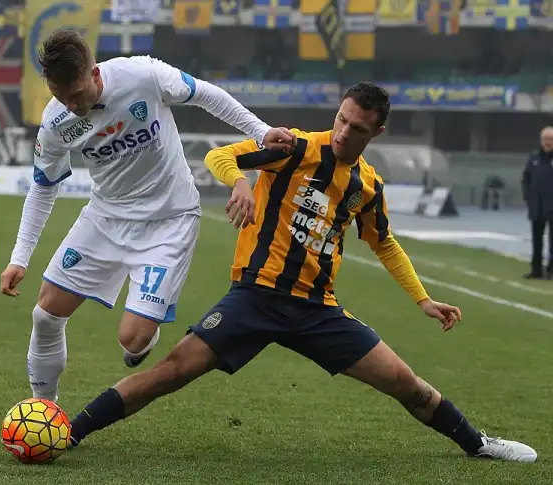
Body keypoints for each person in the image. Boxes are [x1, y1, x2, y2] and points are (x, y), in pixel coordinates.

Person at [67, 82, 537, 462]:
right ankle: (71, 431)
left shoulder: (366, 186)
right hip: (256, 296)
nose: (342, 133)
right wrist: (242, 183)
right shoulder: (291, 147)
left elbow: (385, 243)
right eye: (341, 120)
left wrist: (423, 300)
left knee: (406, 384)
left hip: (318, 311)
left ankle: (478, 444)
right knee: (172, 371)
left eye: (357, 128)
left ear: (377, 133)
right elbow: (220, 157)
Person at [0, 29, 295, 403]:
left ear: (95, 74)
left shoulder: (142, 75)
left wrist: (261, 131)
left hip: (168, 221)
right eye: (61, 98)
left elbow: (205, 94)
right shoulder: (56, 122)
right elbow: (43, 186)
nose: (71, 106)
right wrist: (19, 258)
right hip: (105, 218)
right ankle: (45, 410)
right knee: (44, 315)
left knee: (133, 341)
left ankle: (145, 330)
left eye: (76, 96)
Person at [522, 127, 553, 280]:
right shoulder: (534, 158)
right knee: (536, 241)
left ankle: (551, 270)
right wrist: (528, 198)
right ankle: (536, 270)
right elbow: (526, 180)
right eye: (546, 139)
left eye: (551, 139)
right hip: (537, 207)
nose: (548, 142)